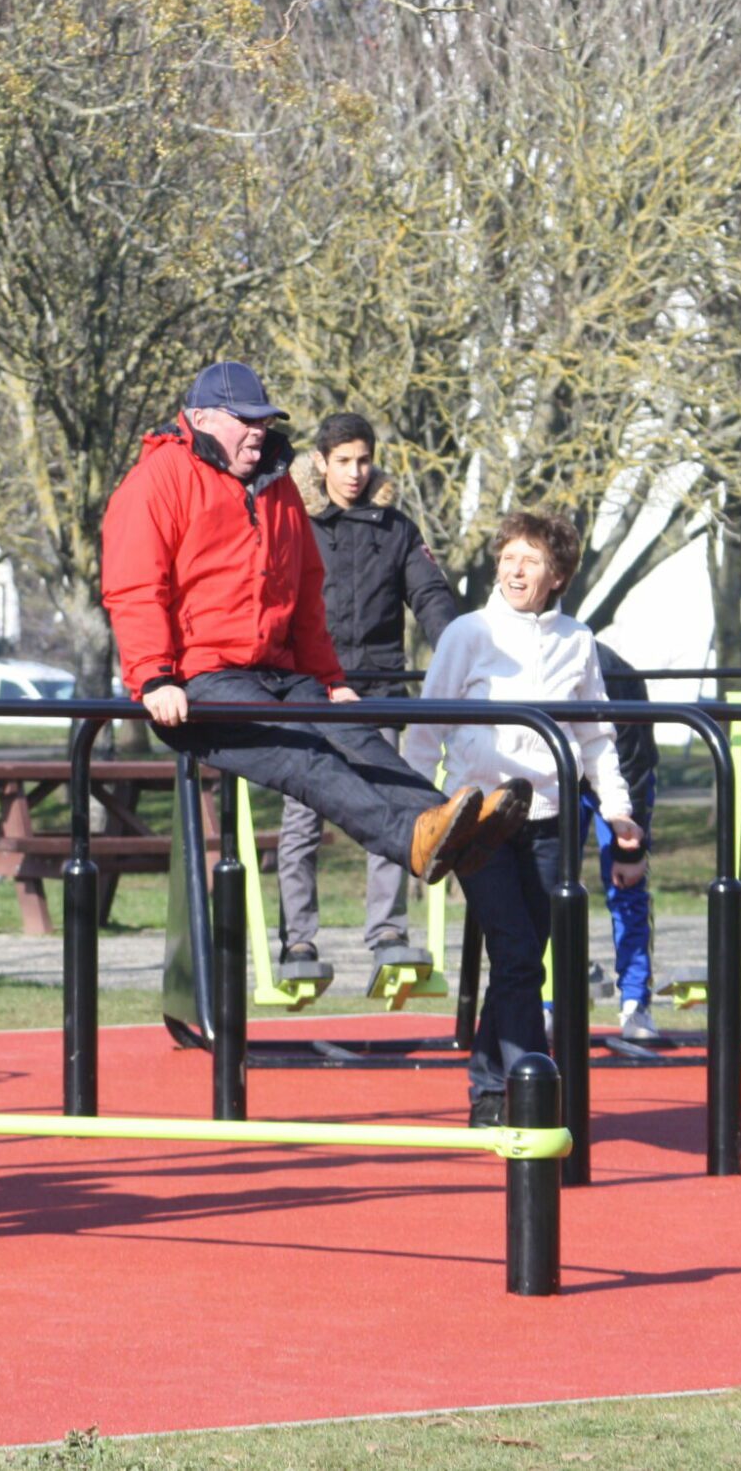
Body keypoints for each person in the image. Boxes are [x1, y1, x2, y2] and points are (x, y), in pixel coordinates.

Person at [101, 362, 520, 898]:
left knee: (358, 738)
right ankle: (412, 838)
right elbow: (136, 587)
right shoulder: (158, 480)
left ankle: (456, 826)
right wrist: (155, 678)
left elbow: (303, 591)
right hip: (199, 680)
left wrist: (328, 677)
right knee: (306, 755)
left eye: (264, 419)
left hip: (275, 671)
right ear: (200, 418)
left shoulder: (276, 487)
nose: (258, 430)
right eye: (244, 419)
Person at [403, 510, 644, 1127]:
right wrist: (414, 813)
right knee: (515, 954)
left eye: (530, 560)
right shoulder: (469, 634)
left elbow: (594, 738)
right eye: (509, 556)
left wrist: (618, 812)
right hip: (480, 820)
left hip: (548, 819)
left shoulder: (577, 641)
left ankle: (488, 1089)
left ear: (557, 575)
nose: (515, 569)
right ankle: (529, 1092)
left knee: (523, 959)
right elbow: (427, 728)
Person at [275, 411, 461, 966]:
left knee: (388, 811)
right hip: (309, 692)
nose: (355, 473)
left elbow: (429, 596)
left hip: (377, 689)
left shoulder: (395, 527)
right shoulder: (294, 521)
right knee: (303, 817)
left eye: (363, 461)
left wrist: (456, 647)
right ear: (319, 462)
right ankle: (299, 938)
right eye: (343, 462)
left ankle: (387, 933)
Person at [581, 641, 664, 1041]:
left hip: (620, 773)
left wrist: (630, 848)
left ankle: (635, 1003)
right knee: (536, 886)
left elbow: (632, 762)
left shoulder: (615, 677)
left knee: (626, 888)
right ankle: (544, 1000)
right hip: (552, 775)